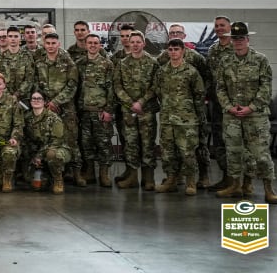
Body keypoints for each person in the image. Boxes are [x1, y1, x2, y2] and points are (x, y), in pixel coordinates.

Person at [214, 22, 277, 204]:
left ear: (248, 39)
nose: (238, 42)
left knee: (260, 154)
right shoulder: (225, 61)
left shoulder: (260, 60)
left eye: (241, 38)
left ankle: (269, 189)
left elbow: (265, 87)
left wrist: (251, 107)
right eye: (235, 39)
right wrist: (229, 107)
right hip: (232, 116)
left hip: (255, 115)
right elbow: (220, 88)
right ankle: (235, 185)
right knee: (233, 152)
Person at [158, 23, 213, 188]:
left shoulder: (195, 58)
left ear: (184, 36)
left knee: (196, 146)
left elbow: (206, 78)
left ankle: (201, 177)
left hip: (191, 113)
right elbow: (158, 86)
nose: (175, 35)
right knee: (170, 149)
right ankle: (174, 178)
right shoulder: (163, 60)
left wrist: (202, 99)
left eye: (178, 32)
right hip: (170, 113)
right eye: (172, 32)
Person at [153, 38, 204, 196]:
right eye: (171, 49)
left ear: (183, 51)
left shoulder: (191, 71)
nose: (173, 52)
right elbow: (158, 91)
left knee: (187, 152)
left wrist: (196, 116)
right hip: (168, 119)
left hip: (186, 120)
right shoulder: (162, 71)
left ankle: (190, 181)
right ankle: (171, 180)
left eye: (176, 49)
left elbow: (199, 95)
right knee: (167, 153)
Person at [113, 31, 160, 191]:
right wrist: (130, 102)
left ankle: (149, 179)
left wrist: (141, 102)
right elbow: (117, 86)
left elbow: (155, 86)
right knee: (131, 144)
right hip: (128, 112)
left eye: (138, 42)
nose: (134, 44)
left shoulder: (153, 63)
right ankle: (132, 177)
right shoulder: (122, 63)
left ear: (143, 43)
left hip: (146, 111)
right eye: (132, 42)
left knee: (148, 145)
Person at [33, 32, 82, 185]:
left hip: (65, 108)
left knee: (71, 140)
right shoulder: (39, 62)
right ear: (44, 45)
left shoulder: (68, 63)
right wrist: (45, 102)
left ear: (58, 44)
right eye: (48, 43)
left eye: (54, 43)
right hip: (46, 107)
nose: (51, 46)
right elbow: (36, 84)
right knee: (48, 139)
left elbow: (72, 85)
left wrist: (57, 101)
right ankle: (54, 173)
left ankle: (76, 173)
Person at [75, 33, 116, 188]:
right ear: (85, 45)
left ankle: (104, 174)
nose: (92, 45)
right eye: (90, 43)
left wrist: (108, 110)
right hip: (84, 111)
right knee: (86, 143)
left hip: (100, 111)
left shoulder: (107, 64)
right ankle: (90, 171)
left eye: (95, 43)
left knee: (104, 143)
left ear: (100, 45)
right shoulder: (79, 63)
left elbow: (111, 89)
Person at [23, 91, 71, 195]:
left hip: (57, 149)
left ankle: (58, 180)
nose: (36, 101)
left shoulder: (53, 118)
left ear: (44, 102)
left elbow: (57, 141)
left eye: (39, 98)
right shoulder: (27, 118)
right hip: (38, 152)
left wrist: (39, 156)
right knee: (34, 183)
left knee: (52, 154)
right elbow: (26, 139)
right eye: (33, 98)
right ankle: (45, 176)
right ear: (30, 102)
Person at [205, 15, 233, 190]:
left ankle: (240, 181)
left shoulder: (236, 48)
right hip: (217, 105)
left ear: (229, 27)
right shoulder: (213, 50)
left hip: (234, 105)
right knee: (219, 142)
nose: (219, 28)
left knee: (235, 142)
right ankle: (226, 177)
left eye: (222, 25)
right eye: (216, 25)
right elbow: (209, 76)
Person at [0, 26, 34, 101]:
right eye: (10, 36)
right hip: (4, 98)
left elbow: (29, 79)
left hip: (23, 98)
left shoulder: (27, 56)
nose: (13, 39)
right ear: (7, 38)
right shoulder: (0, 57)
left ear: (20, 38)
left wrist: (17, 94)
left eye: (16, 36)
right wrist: (7, 95)